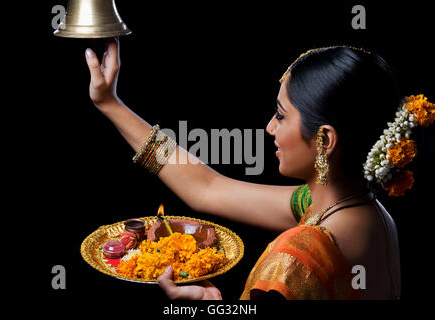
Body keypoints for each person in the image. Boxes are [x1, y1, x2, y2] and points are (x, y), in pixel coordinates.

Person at [84, 38, 403, 299]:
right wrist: (110, 104)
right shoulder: (360, 212)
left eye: (280, 115)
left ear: (325, 140)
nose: (269, 127)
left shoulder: (299, 252)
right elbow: (207, 189)